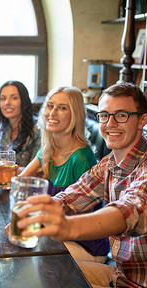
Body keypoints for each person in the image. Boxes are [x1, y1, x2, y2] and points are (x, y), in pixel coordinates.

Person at [16, 82, 147, 288]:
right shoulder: (108, 163)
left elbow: (129, 212)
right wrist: (32, 213)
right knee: (48, 272)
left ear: (142, 120)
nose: (110, 123)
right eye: (104, 115)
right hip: (122, 275)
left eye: (121, 115)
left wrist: (66, 227)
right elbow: (71, 196)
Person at [20, 86, 109, 263]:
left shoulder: (81, 157)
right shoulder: (48, 149)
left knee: (29, 254)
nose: (52, 113)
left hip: (87, 246)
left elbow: (82, 222)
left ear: (75, 115)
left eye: (62, 108)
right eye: (50, 106)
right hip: (58, 235)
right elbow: (21, 180)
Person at [0, 81, 40, 170]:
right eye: (3, 98)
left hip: (26, 183)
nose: (7, 103)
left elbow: (38, 169)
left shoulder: (38, 129)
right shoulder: (3, 127)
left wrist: (6, 166)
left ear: (24, 101)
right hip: (2, 181)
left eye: (14, 98)